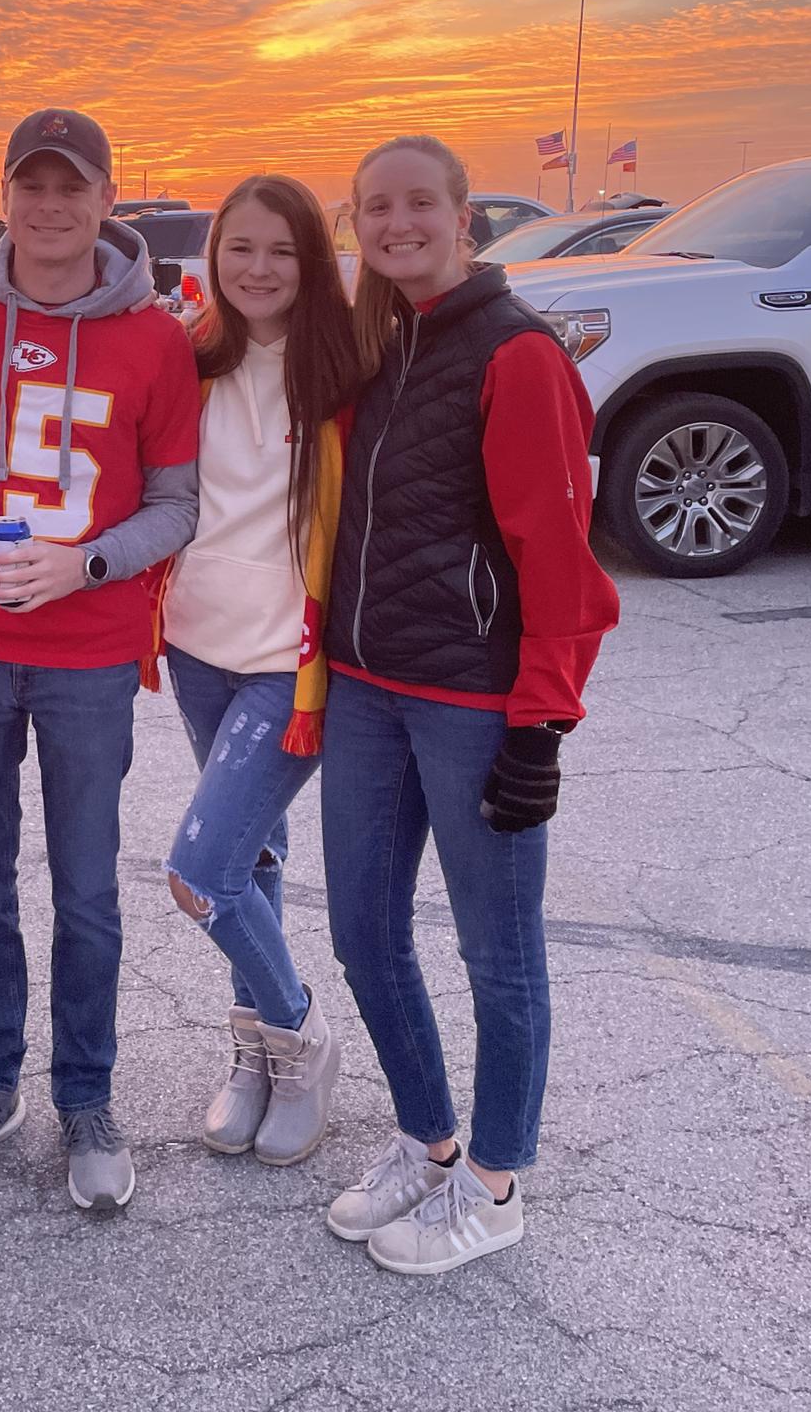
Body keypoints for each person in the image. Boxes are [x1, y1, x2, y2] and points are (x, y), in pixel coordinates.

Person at [319, 135, 618, 1276]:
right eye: (374, 209)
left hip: (473, 701)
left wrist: (541, 722)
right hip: (366, 690)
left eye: (417, 204)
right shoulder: (383, 345)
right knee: (362, 929)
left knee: (499, 952)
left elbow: (560, 558)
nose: (396, 224)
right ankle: (429, 1139)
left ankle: (496, 1183)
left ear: (462, 217)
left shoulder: (517, 351)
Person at [0, 107, 201, 1212]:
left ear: (107, 198)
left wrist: (90, 564)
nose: (51, 203)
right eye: (32, 182)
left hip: (89, 652)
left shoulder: (157, 338)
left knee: (86, 889)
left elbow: (178, 500)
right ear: (6, 195)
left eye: (72, 184)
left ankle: (87, 1088)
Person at [157, 176, 365, 1166]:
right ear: (214, 255)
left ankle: (301, 1031)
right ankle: (259, 1058)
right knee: (254, 858)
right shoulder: (191, 357)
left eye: (281, 249)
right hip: (197, 643)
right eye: (240, 247)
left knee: (201, 870)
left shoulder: (350, 364)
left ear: (313, 258)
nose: (259, 268)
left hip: (291, 662)